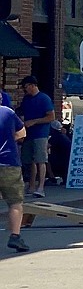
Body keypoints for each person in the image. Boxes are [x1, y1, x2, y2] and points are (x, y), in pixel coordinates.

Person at [17, 75, 54, 199]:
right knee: (30, 160)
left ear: (33, 85)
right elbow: (22, 112)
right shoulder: (26, 99)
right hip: (28, 133)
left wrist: (34, 121)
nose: (24, 89)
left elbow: (51, 117)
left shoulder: (44, 99)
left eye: (26, 86)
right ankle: (32, 185)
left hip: (40, 134)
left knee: (40, 160)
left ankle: (41, 187)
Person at [2, 100, 29, 252]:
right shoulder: (8, 112)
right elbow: (22, 133)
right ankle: (15, 236)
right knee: (15, 202)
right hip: (9, 162)